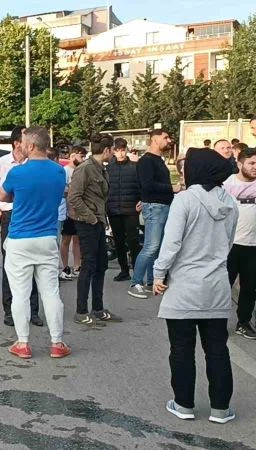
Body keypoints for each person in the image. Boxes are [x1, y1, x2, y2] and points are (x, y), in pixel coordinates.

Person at [153, 148, 238, 424]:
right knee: (217, 349)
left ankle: (184, 405)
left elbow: (172, 243)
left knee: (181, 349)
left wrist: (158, 273)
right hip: (216, 285)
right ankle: (221, 410)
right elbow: (227, 243)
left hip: (184, 287)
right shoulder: (231, 203)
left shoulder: (185, 200)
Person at [0, 126, 71, 359]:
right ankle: (57, 343)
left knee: (20, 294)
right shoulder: (58, 172)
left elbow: (2, 196)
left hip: (20, 239)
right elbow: (63, 193)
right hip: (48, 238)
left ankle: (23, 343)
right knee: (50, 292)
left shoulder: (17, 173)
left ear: (29, 145)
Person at [0, 126, 43, 328]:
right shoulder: (2, 163)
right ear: (17, 143)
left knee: (33, 264)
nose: (29, 143)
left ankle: (33, 311)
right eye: (26, 139)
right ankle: (10, 310)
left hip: (31, 215)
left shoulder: (34, 163)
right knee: (10, 265)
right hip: (10, 216)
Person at [68, 134, 122, 326]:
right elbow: (74, 197)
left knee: (101, 265)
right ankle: (81, 310)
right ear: (107, 150)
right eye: (113, 149)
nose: (114, 153)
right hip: (87, 222)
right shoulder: (85, 169)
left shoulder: (100, 168)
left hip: (98, 221)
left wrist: (101, 220)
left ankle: (97, 308)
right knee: (88, 266)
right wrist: (90, 218)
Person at [128, 129, 180, 299]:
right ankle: (135, 283)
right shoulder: (146, 161)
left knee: (157, 247)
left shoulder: (158, 160)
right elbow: (147, 185)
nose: (169, 140)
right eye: (165, 137)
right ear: (155, 139)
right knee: (151, 246)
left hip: (162, 205)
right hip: (155, 207)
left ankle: (152, 280)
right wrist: (172, 188)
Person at [223, 147, 256, 339]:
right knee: (223, 286)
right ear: (240, 163)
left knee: (249, 288)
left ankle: (243, 322)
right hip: (231, 245)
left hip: (253, 247)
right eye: (251, 163)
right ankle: (216, 322)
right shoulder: (227, 185)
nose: (255, 167)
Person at [106, 137, 142, 282]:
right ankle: (124, 270)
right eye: (118, 150)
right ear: (113, 151)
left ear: (126, 150)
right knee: (119, 242)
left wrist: (142, 200)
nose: (120, 153)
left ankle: (137, 272)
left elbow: (141, 186)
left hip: (131, 209)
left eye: (123, 150)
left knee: (133, 241)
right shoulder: (108, 168)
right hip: (114, 209)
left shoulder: (135, 167)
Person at [60, 146, 86, 280]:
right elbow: (63, 191)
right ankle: (65, 266)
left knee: (78, 239)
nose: (83, 159)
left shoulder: (82, 170)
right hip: (67, 211)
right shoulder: (65, 171)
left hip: (80, 211)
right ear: (72, 156)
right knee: (66, 239)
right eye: (81, 156)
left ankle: (77, 265)